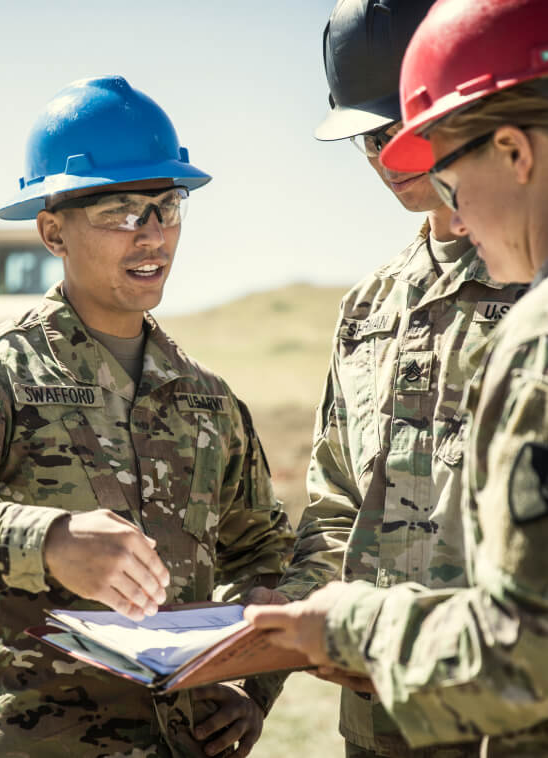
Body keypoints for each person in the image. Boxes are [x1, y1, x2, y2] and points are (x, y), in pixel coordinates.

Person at [0, 75, 293, 758]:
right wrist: (47, 540)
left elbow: (266, 550)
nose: (152, 236)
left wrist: (251, 685)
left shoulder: (208, 399)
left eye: (165, 208)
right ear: (53, 231)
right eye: (120, 211)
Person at [246, 0, 548, 754]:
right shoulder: (371, 306)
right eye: (370, 142)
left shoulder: (532, 297)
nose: (392, 162)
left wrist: (356, 629)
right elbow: (337, 504)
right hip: (389, 713)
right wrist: (271, 645)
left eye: (411, 138)